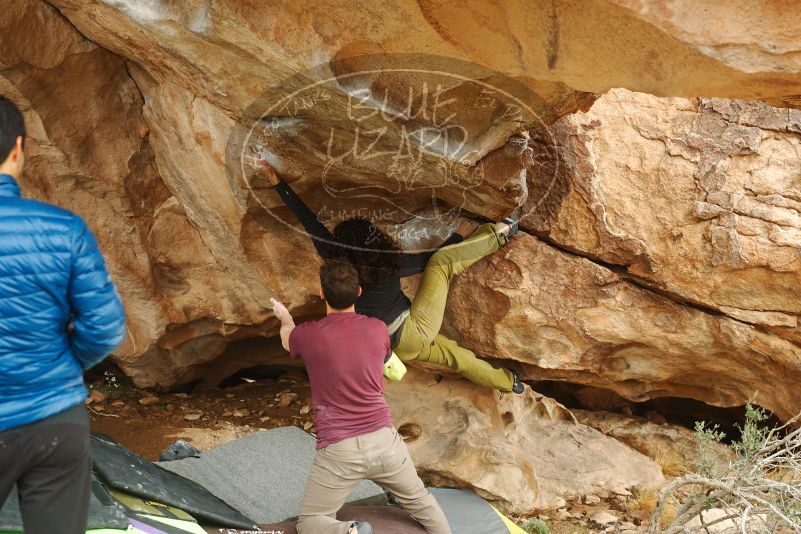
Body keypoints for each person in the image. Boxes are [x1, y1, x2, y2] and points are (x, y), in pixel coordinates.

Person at [260, 162, 525, 394]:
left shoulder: (336, 261)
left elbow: (308, 221)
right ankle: (501, 232)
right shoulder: (387, 266)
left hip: (397, 349)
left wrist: (277, 183)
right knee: (442, 264)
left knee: (459, 357)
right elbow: (436, 257)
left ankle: (509, 383)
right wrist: (458, 235)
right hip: (414, 331)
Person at [0, 96, 127, 534]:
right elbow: (106, 326)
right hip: (53, 416)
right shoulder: (63, 228)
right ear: (18, 148)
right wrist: (64, 366)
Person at [271, 261, 452, 534]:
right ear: (358, 292)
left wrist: (284, 316)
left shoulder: (307, 335)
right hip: (385, 442)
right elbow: (384, 361)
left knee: (310, 522)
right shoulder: (378, 329)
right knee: (422, 503)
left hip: (340, 449)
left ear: (322, 293)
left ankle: (352, 531)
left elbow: (288, 338)